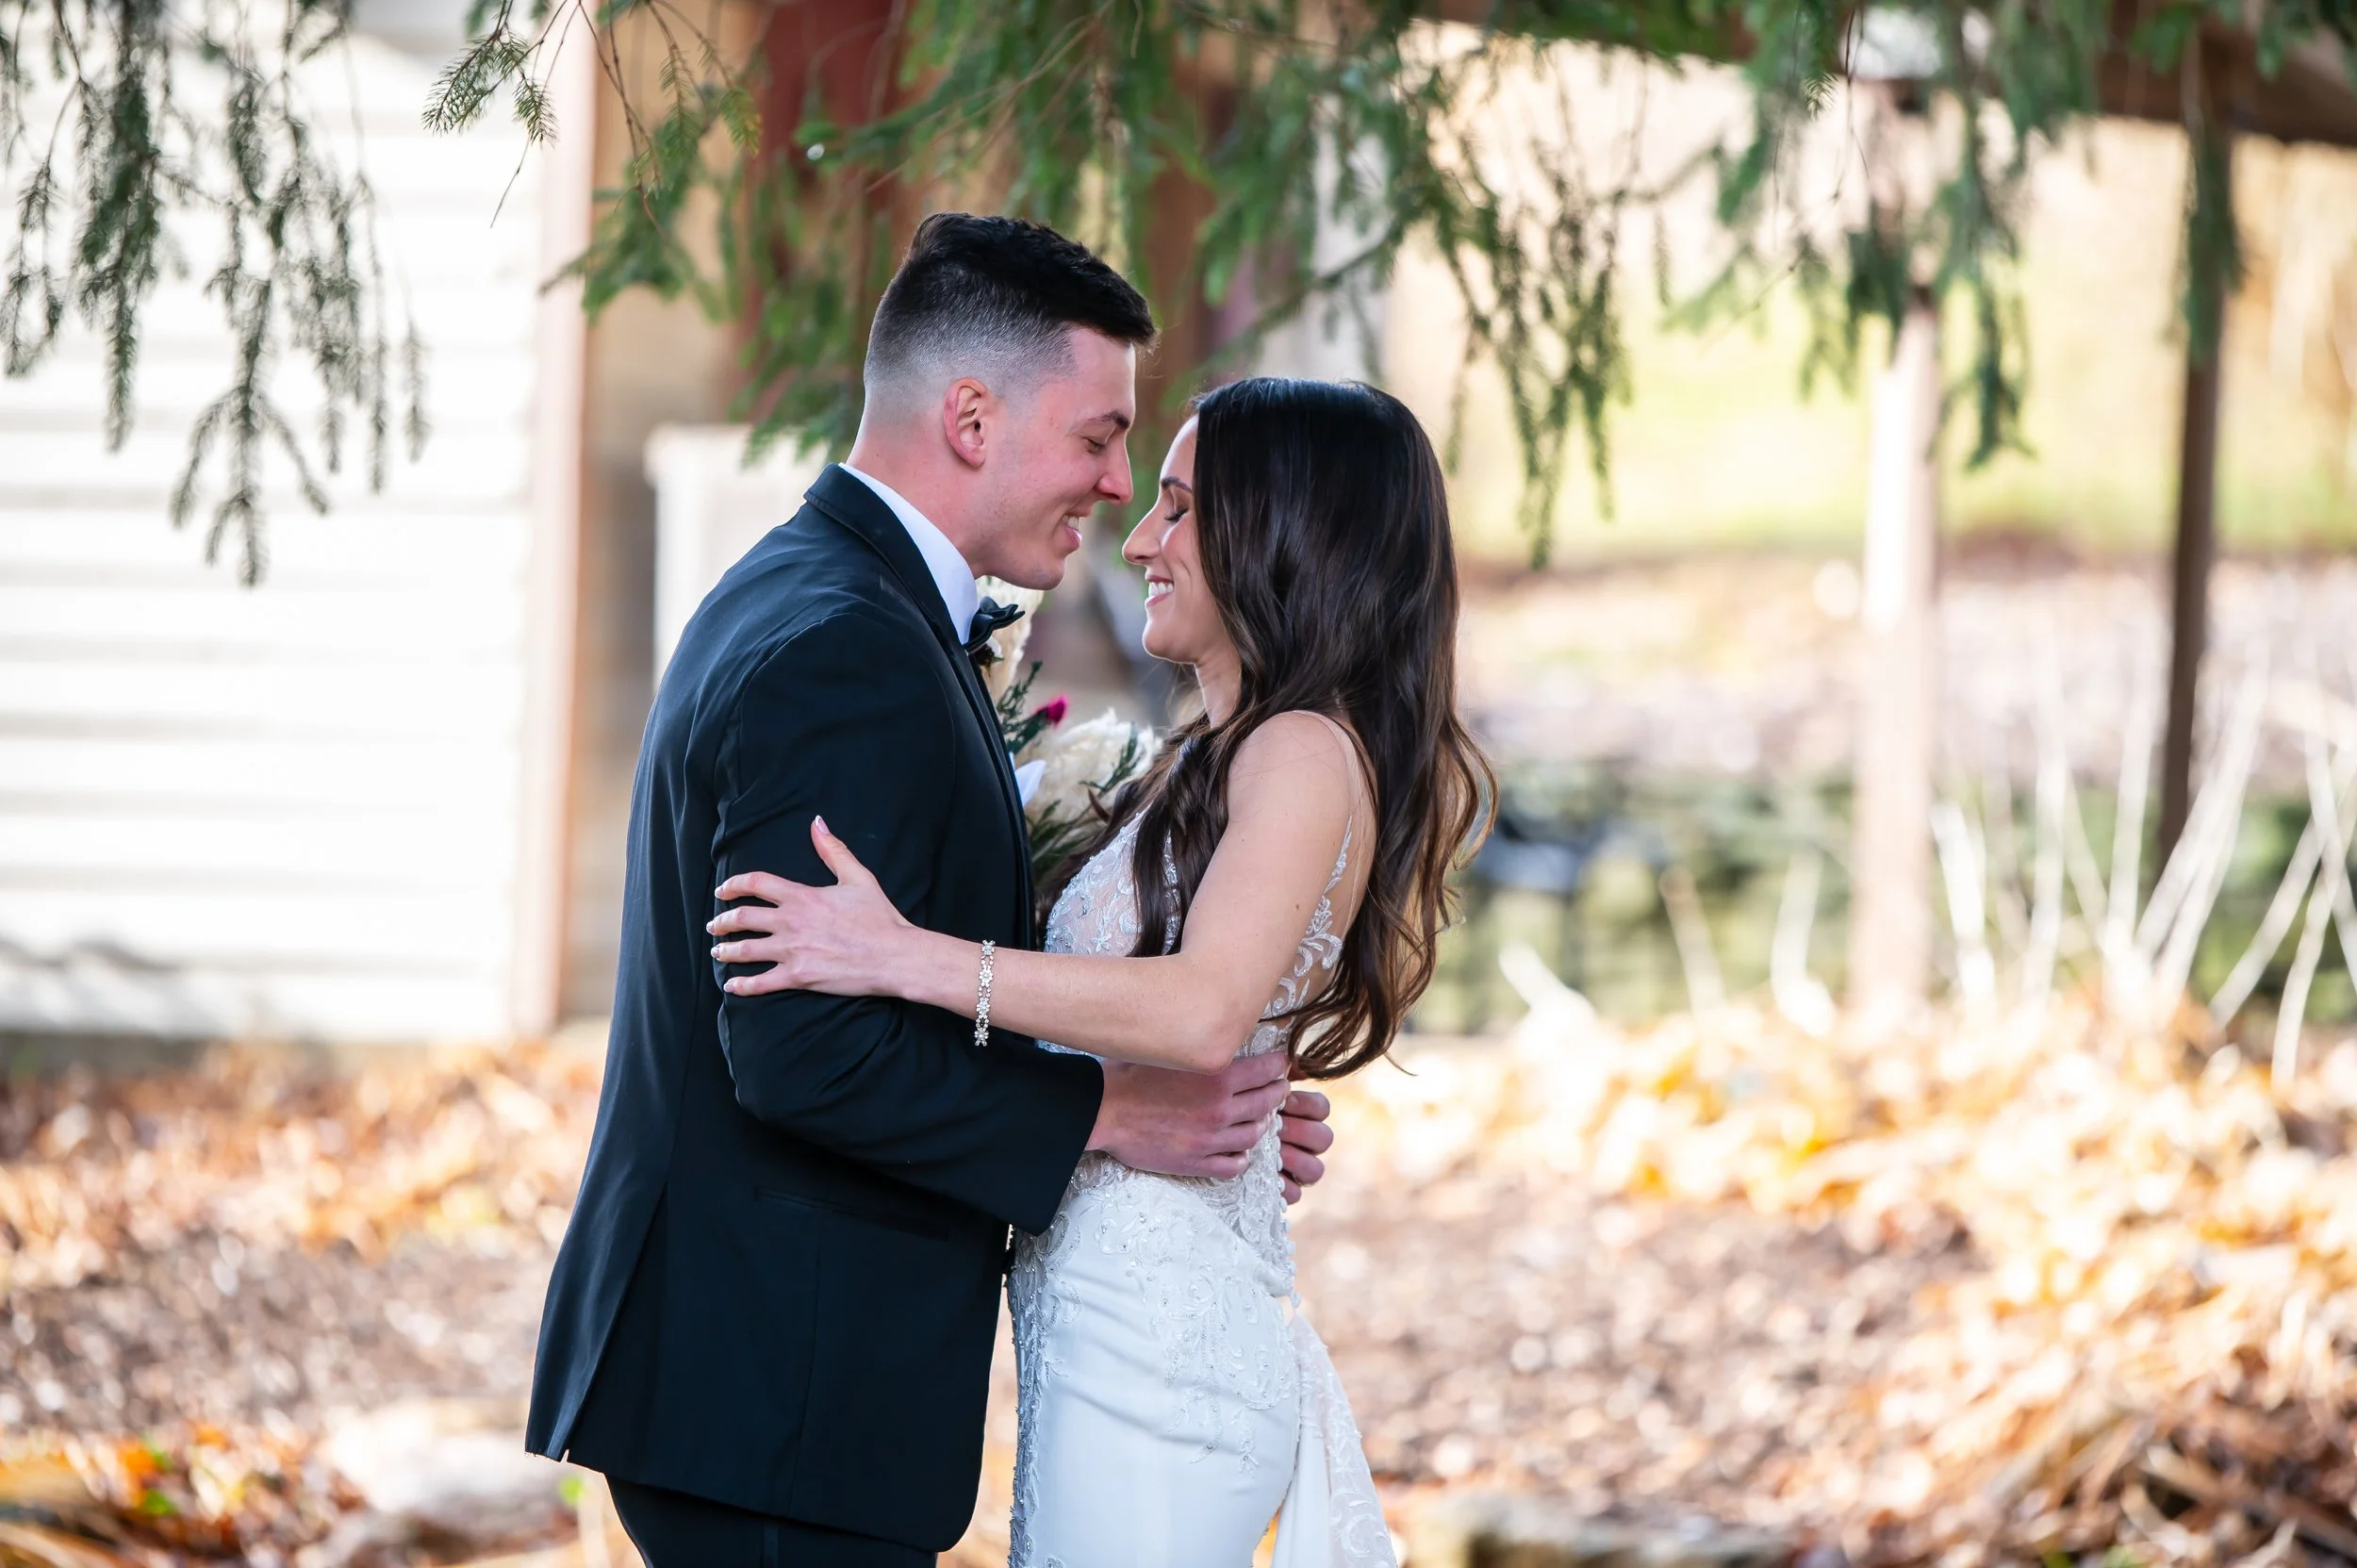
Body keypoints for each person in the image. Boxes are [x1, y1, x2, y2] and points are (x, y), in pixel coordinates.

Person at [525, 215, 1339, 1568]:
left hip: (769, 1387)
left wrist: (1212, 1090)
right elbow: (802, 1049)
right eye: (1097, 436)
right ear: (970, 414)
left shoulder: (839, 598)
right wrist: (1108, 1110)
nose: (1116, 484)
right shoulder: (846, 644)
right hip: (778, 1388)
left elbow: (897, 971)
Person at [709, 376, 1492, 1566]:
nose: (1138, 539)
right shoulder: (1222, 753)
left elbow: (1197, 1007)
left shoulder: (1299, 748)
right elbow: (1187, 1018)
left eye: (1179, 509)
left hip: (1165, 1357)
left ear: (1284, 535)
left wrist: (902, 957)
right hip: (1111, 1334)